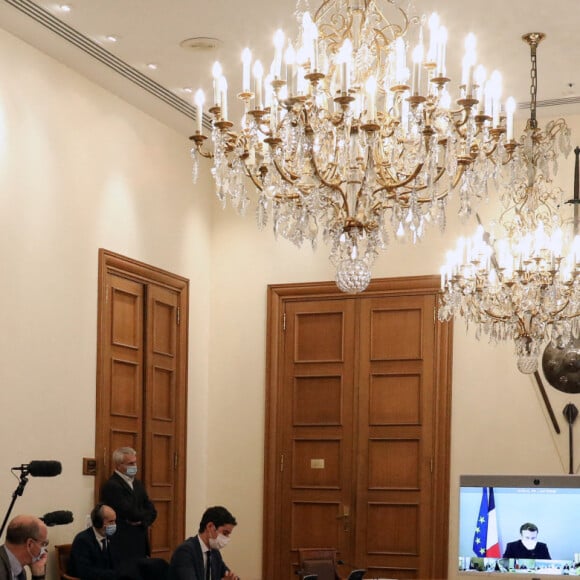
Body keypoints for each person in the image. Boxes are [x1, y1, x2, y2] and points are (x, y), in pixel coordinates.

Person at [100, 447, 157, 567]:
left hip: (140, 539)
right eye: (130, 463)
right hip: (123, 542)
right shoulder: (112, 485)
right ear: (118, 465)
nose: (134, 466)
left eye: (135, 462)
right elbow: (130, 512)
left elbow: (151, 509)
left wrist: (142, 521)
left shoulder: (137, 483)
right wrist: (143, 516)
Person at [168, 506, 239, 580]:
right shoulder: (185, 552)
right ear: (210, 526)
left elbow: (228, 575)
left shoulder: (215, 553)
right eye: (225, 533)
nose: (227, 538)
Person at [68, 503, 120, 579]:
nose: (114, 525)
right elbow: (86, 572)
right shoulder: (82, 541)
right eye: (111, 521)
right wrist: (114, 575)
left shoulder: (111, 538)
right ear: (98, 522)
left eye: (115, 521)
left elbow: (116, 564)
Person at [0, 514, 49, 580]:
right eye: (43, 544)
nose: (44, 551)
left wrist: (38, 575)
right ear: (30, 544)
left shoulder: (19, 569)